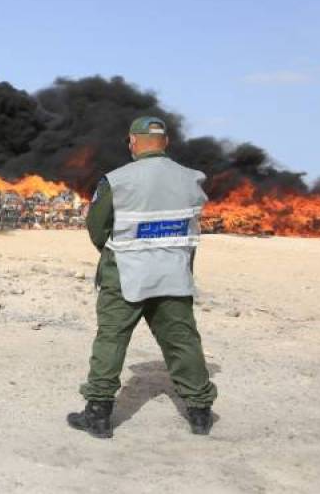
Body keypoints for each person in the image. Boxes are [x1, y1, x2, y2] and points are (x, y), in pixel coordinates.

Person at [67, 116, 217, 439]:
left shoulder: (117, 180)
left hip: (126, 274)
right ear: (167, 143)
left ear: (132, 142)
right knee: (182, 339)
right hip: (173, 273)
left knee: (111, 339)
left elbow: (97, 228)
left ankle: (98, 415)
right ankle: (200, 413)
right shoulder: (191, 180)